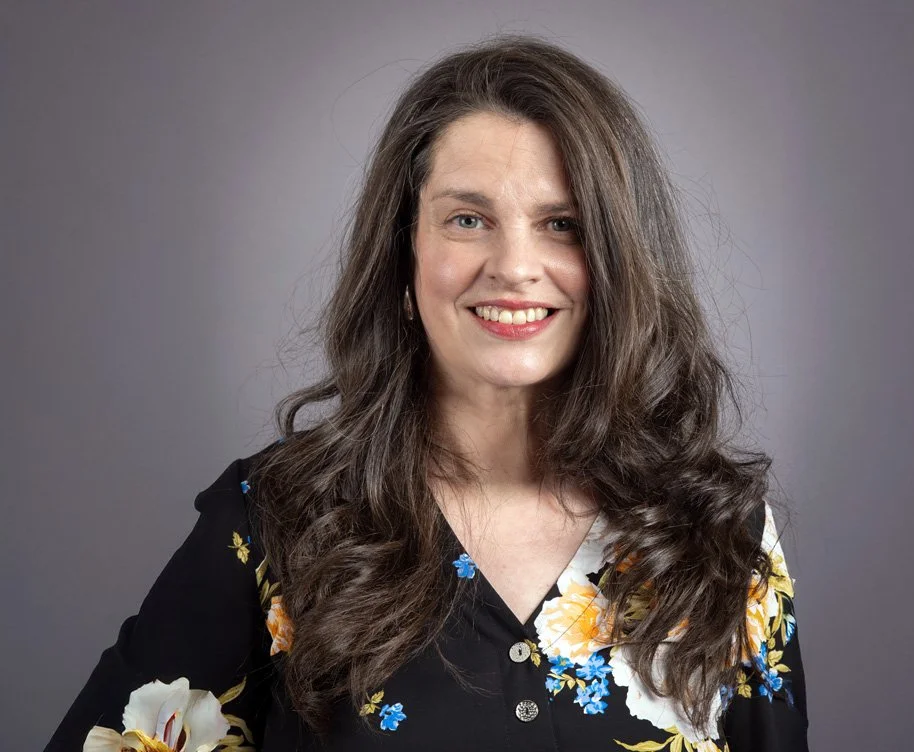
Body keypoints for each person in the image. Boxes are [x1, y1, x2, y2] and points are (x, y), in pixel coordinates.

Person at [45, 33, 808, 752]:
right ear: (403, 255)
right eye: (468, 219)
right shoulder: (276, 523)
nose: (514, 266)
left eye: (563, 224)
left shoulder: (720, 533)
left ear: (620, 260)